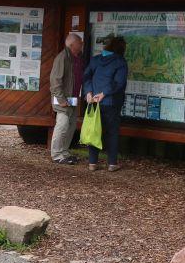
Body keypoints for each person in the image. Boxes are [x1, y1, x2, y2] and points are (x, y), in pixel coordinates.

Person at [83, 35, 128, 172]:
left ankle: (92, 163)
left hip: (94, 102)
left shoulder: (96, 60)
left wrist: (89, 92)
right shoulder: (120, 62)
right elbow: (119, 83)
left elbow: (86, 77)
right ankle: (112, 164)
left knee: (94, 130)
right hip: (111, 102)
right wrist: (105, 93)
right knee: (112, 132)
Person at [49, 33, 84, 164]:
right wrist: (61, 99)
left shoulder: (78, 57)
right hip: (62, 98)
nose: (82, 44)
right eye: (80, 42)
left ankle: (64, 152)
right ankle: (57, 154)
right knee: (62, 125)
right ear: (71, 44)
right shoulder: (62, 57)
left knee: (71, 126)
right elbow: (55, 81)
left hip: (73, 98)